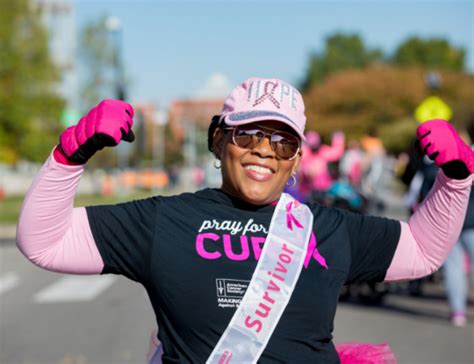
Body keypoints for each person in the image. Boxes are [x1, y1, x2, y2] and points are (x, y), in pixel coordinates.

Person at [16, 77, 473, 363]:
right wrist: (68, 155)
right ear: (219, 142)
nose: (263, 149)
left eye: (282, 142)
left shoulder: (328, 227)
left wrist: (456, 179)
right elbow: (45, 242)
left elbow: (422, 250)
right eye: (248, 133)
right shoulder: (164, 220)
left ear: (296, 160)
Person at [442, 124, 474, 327]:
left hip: (449, 223)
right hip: (472, 221)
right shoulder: (471, 160)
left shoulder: (441, 163)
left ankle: (458, 311)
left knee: (453, 268)